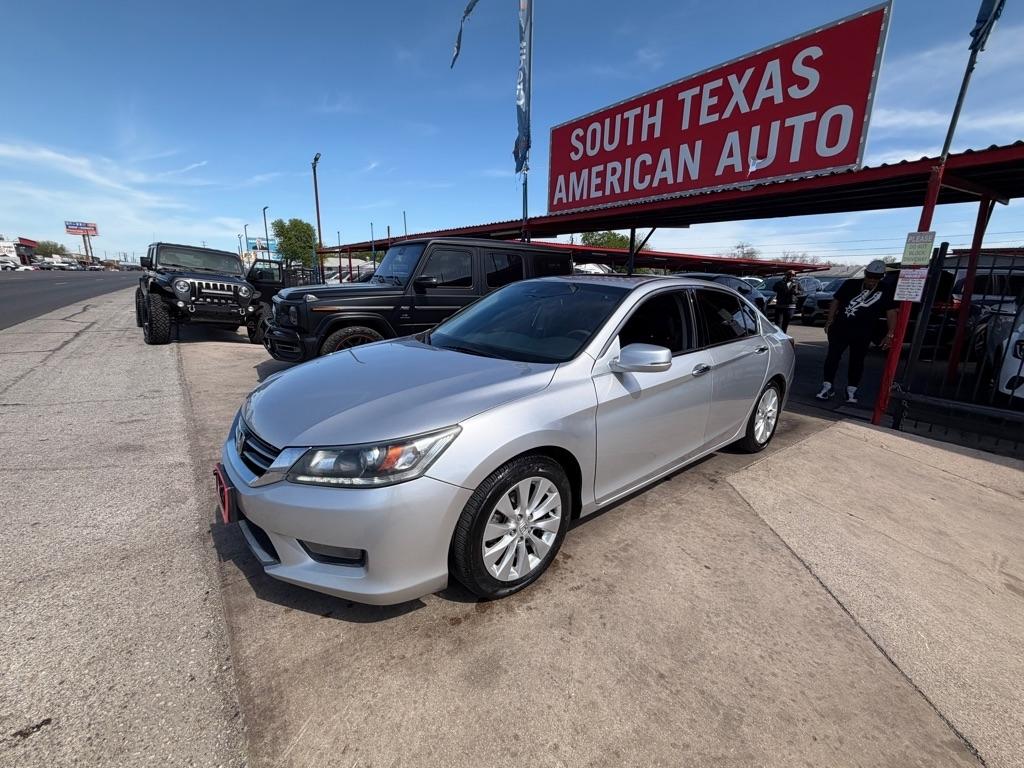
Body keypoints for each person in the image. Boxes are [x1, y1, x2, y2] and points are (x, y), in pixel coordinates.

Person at [816, 260, 898, 405]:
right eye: (870, 276)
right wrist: (829, 320)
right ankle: (827, 386)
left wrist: (890, 333)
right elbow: (836, 301)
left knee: (857, 361)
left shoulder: (886, 289)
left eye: (876, 277)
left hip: (864, 331)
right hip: (841, 328)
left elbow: (891, 312)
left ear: (881, 277)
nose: (872, 280)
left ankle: (851, 390)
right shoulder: (851, 284)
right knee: (833, 357)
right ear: (865, 274)